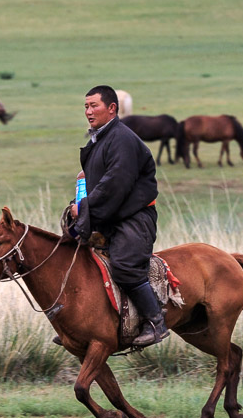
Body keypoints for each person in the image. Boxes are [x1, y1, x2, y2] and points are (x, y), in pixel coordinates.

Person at [68, 85, 169, 347]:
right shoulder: (101, 139)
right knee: (76, 257)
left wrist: (86, 207)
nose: (89, 111)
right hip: (111, 212)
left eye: (94, 106)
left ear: (112, 108)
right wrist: (78, 203)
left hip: (134, 217)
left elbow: (115, 184)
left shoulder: (122, 139)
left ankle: (156, 323)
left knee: (125, 267)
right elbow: (99, 182)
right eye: (86, 107)